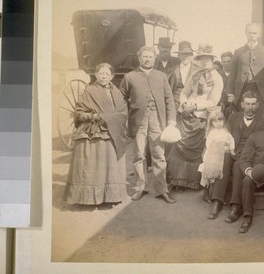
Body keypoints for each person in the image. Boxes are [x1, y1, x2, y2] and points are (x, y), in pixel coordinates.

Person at [64, 63, 128, 206]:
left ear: (111, 76)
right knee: (92, 164)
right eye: (101, 73)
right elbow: (79, 112)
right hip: (94, 130)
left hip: (111, 131)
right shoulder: (89, 91)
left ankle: (110, 196)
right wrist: (94, 117)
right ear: (96, 75)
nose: (104, 76)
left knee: (110, 163)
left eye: (107, 74)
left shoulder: (117, 93)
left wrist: (108, 118)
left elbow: (123, 112)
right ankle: (88, 198)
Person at [119, 46, 177, 203]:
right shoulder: (130, 77)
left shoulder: (161, 76)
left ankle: (162, 190)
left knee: (159, 155)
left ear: (154, 59)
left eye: (150, 57)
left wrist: (171, 118)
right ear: (139, 59)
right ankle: (140, 188)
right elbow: (120, 98)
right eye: (144, 56)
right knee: (139, 155)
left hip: (157, 121)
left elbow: (169, 98)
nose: (147, 59)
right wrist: (125, 117)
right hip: (138, 121)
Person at [167, 44, 223, 190]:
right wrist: (185, 104)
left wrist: (196, 107)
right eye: (202, 58)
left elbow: (213, 101)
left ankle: (191, 182)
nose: (205, 61)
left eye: (208, 59)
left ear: (212, 60)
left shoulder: (217, 78)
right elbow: (184, 92)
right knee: (180, 145)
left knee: (196, 149)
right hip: (186, 113)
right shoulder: (195, 75)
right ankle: (176, 180)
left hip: (201, 116)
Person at [208, 91, 264, 221]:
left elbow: (263, 144)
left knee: (239, 165)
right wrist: (228, 148)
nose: (250, 107)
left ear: (257, 105)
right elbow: (225, 134)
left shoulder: (262, 122)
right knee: (225, 159)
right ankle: (217, 201)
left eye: (253, 104)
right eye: (247, 104)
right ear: (242, 104)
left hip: (250, 157)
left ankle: (236, 206)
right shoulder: (234, 118)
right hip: (234, 151)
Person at [226, 22, 264, 114]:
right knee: (241, 115)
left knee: (260, 115)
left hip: (259, 90)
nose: (252, 35)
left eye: (254, 33)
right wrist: (230, 93)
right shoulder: (238, 52)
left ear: (259, 35)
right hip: (241, 89)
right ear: (246, 33)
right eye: (249, 32)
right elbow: (232, 74)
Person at [198, 110, 235, 204]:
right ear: (211, 123)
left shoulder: (225, 132)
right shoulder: (212, 132)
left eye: (220, 120)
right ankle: (205, 194)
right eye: (215, 121)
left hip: (221, 156)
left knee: (219, 174)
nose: (218, 123)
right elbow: (209, 143)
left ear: (224, 120)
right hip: (212, 155)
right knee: (208, 173)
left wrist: (231, 148)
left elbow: (231, 140)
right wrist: (220, 145)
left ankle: (217, 195)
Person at [218, 51, 234, 119]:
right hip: (221, 106)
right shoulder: (218, 76)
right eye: (224, 62)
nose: (226, 64)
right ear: (221, 63)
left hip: (235, 106)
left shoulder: (237, 75)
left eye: (229, 61)